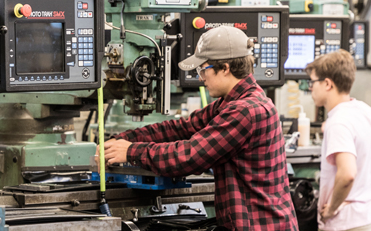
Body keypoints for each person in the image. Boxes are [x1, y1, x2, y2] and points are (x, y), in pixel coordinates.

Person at [100, 26, 298, 230]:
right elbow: (181, 129)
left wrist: (131, 151)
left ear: (225, 67)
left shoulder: (245, 110)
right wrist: (122, 140)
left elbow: (189, 156)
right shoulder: (234, 102)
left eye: (203, 69)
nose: (201, 77)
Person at [305, 50, 371, 231]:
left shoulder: (338, 123)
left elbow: (347, 174)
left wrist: (331, 209)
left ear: (327, 83)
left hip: (348, 223)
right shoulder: (362, 110)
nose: (310, 88)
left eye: (312, 82)